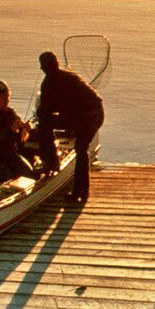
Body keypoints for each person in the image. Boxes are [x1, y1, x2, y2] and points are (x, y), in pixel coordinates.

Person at [33, 51, 104, 202]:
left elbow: (44, 111)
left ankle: (53, 163)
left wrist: (43, 115)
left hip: (87, 116)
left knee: (79, 148)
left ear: (43, 68)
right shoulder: (68, 76)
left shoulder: (49, 82)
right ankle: (79, 189)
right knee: (81, 149)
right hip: (93, 113)